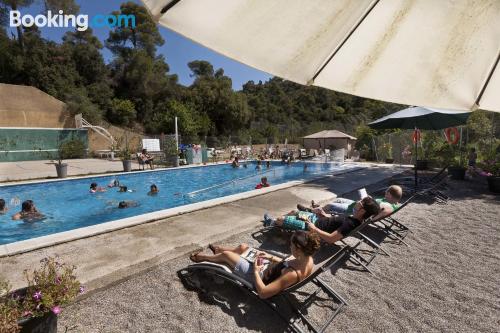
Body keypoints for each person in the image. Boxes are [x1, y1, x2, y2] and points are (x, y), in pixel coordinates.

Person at [189, 230, 320, 299]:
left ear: (297, 249)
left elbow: (263, 293)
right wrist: (269, 257)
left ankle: (203, 258)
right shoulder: (307, 259)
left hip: (258, 277)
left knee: (227, 256)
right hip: (267, 266)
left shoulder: (291, 274)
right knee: (243, 247)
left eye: (291, 244)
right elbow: (284, 264)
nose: (289, 245)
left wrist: (257, 270)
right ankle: (218, 250)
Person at [264, 197, 380, 244]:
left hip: (311, 227)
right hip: (316, 220)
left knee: (280, 219)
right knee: (293, 212)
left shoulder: (350, 224)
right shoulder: (354, 218)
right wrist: (324, 215)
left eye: (361, 203)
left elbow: (331, 239)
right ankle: (281, 223)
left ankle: (273, 223)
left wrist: (313, 228)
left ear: (362, 211)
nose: (358, 201)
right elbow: (334, 222)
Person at [311, 185, 402, 220]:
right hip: (356, 204)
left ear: (390, 194)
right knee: (339, 199)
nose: (385, 193)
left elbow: (373, 213)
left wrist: (365, 200)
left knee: (330, 206)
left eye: (386, 192)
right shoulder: (393, 203)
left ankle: (311, 212)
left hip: (354, 210)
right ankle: (319, 208)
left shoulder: (388, 206)